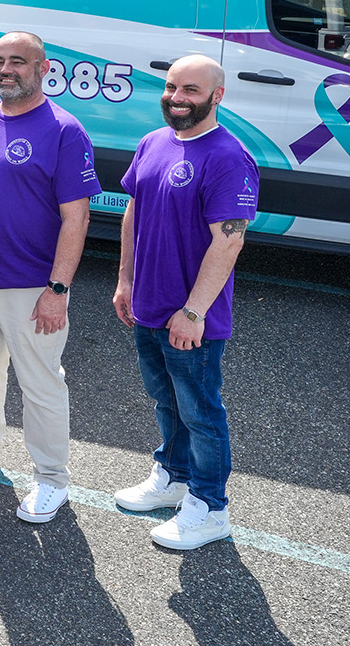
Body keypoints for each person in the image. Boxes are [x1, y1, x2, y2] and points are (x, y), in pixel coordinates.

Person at [0, 32, 99, 523]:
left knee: (41, 383)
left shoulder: (65, 131)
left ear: (43, 68)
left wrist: (57, 290)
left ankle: (52, 479)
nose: (7, 70)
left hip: (32, 287)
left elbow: (78, 218)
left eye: (18, 62)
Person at [111, 54, 258, 550]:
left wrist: (193, 311)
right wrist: (125, 279)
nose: (177, 99)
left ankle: (210, 508)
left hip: (191, 317)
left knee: (200, 410)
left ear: (218, 96)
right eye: (172, 87)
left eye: (191, 90)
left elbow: (230, 240)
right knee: (165, 399)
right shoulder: (153, 143)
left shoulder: (228, 157)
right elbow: (134, 210)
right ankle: (173, 477)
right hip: (148, 305)